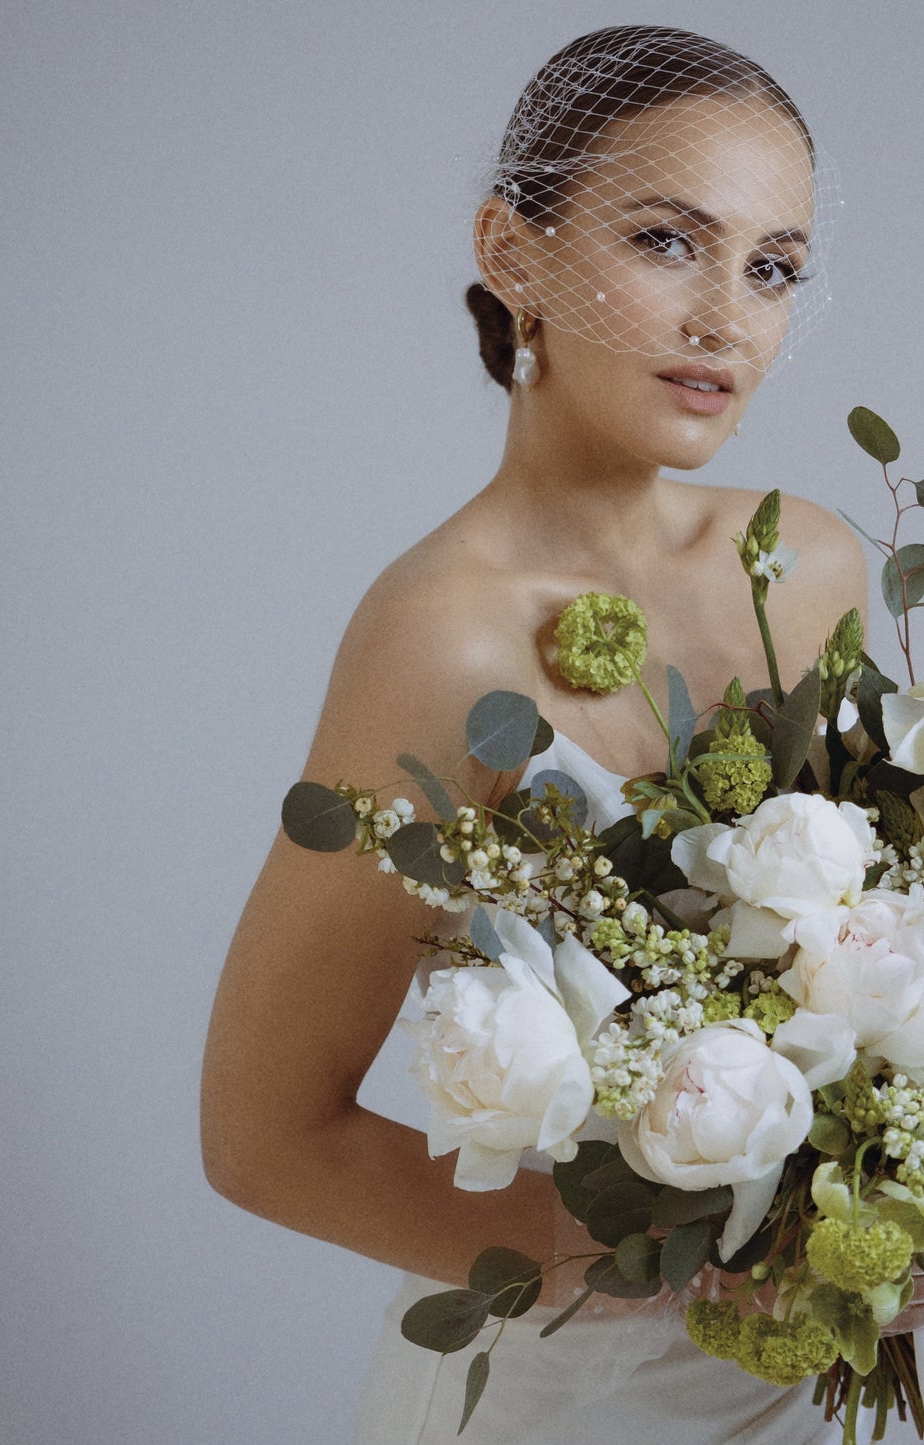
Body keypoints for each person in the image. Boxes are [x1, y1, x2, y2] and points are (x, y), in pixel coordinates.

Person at [201, 24, 867, 1442]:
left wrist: (908, 1191)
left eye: (769, 267)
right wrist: (664, 1271)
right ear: (513, 252)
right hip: (560, 1390)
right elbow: (264, 1138)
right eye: (666, 241)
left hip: (802, 1385)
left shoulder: (807, 567)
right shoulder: (444, 637)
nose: (726, 320)